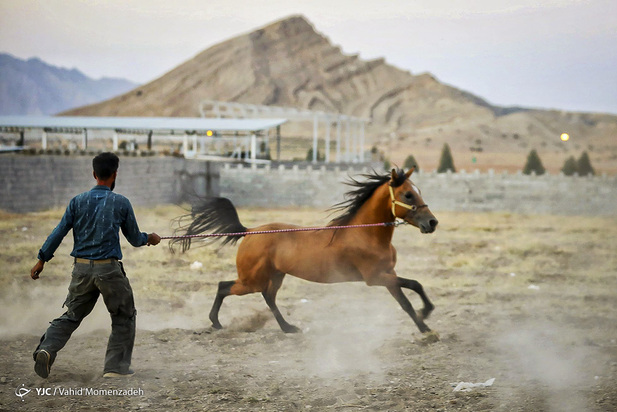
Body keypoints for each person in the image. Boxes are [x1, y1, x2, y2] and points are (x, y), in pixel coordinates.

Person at [30, 152, 161, 379]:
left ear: (94, 174)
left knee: (71, 315)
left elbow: (58, 232)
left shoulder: (77, 201)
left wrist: (42, 259)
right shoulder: (121, 202)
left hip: (81, 270)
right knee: (123, 315)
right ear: (114, 174)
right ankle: (115, 368)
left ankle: (46, 349)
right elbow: (134, 239)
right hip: (109, 270)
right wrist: (150, 238)